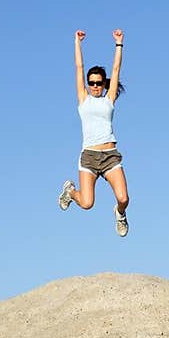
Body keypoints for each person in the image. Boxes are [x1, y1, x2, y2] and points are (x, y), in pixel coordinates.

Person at [58, 28, 130, 236]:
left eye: (99, 83)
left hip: (110, 156)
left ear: (103, 83)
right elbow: (79, 68)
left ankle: (120, 214)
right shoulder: (83, 99)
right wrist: (77, 43)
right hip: (89, 156)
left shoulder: (109, 100)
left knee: (124, 198)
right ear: (88, 85)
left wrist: (119, 43)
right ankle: (70, 192)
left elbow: (116, 69)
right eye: (92, 83)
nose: (95, 86)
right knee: (87, 203)